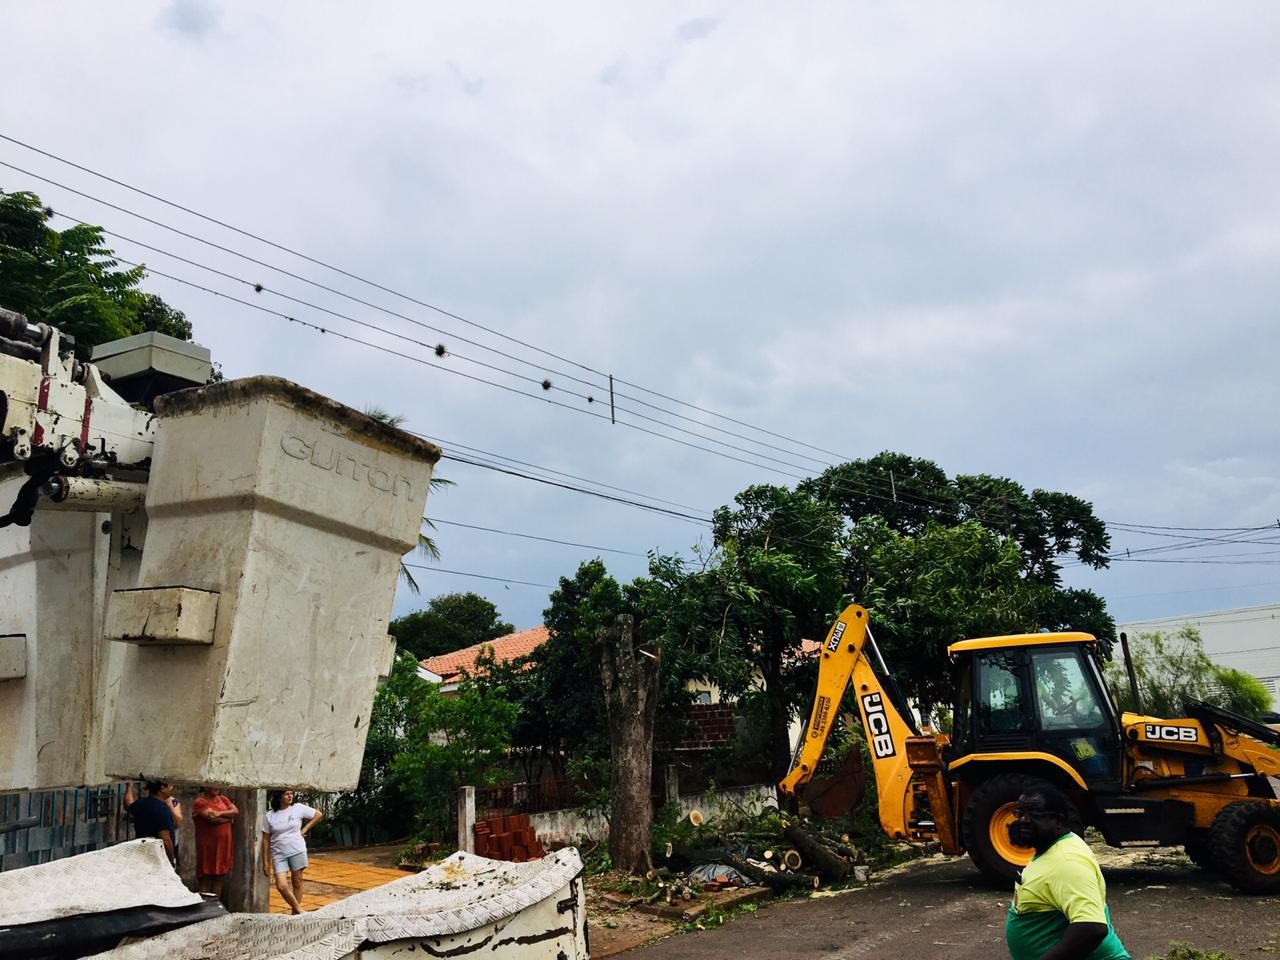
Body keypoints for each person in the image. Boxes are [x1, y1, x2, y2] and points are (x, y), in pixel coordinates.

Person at [1006, 786, 1130, 960]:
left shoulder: (1067, 861)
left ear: (1058, 820)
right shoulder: (1051, 848)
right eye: (1020, 813)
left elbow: (1092, 927)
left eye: (1034, 815)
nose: (1023, 821)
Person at [261, 790, 322, 915]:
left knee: (297, 881)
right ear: (279, 797)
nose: (290, 796)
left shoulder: (298, 808)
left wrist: (305, 828)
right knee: (281, 885)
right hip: (278, 854)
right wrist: (266, 861)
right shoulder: (270, 815)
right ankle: (299, 909)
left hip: (297, 849)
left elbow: (318, 814)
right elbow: (266, 839)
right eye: (287, 794)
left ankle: (295, 914)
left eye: (292, 794)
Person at [192, 786, 239, 898]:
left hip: (223, 846)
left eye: (218, 784)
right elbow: (211, 819)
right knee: (205, 878)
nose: (216, 787)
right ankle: (204, 908)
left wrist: (219, 813)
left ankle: (216, 906)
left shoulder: (223, 799)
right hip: (208, 847)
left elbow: (236, 811)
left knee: (218, 877)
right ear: (205, 787)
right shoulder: (200, 802)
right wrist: (228, 818)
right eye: (213, 784)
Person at [122, 781, 177, 868]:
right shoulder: (161, 809)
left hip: (141, 854)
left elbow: (128, 805)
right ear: (162, 788)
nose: (172, 788)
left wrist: (129, 787)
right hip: (157, 859)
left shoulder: (141, 803)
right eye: (170, 786)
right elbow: (166, 840)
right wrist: (171, 860)